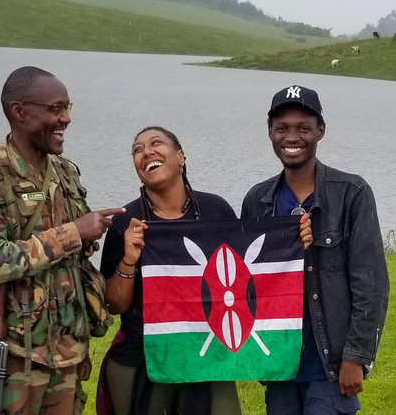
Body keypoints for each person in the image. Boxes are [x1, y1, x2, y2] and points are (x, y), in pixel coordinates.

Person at [97, 126, 314, 415]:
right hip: (142, 355)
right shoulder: (127, 222)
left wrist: (293, 239)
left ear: (180, 156)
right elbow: (114, 305)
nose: (146, 151)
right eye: (137, 149)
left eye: (156, 143)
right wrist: (128, 260)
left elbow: (244, 275)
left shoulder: (216, 210)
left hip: (209, 354)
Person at [0, 66, 124, 415]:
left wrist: (94, 234)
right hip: (15, 354)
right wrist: (73, 233)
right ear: (20, 112)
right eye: (55, 109)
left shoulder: (66, 171)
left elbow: (79, 252)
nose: (65, 118)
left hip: (68, 350)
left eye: (68, 107)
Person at [241, 85, 390, 415]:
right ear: (270, 132)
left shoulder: (351, 194)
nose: (292, 137)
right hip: (280, 364)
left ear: (320, 130)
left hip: (330, 365)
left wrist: (357, 357)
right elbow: (245, 281)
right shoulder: (257, 200)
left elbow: (372, 284)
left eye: (303, 128)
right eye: (282, 128)